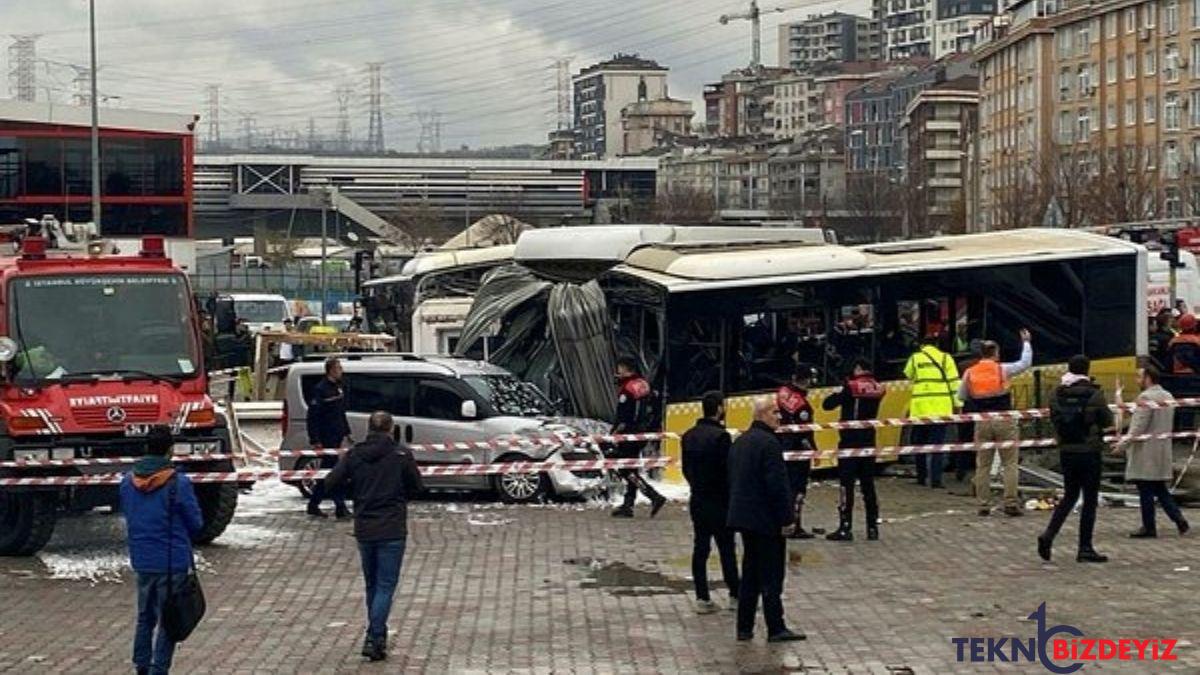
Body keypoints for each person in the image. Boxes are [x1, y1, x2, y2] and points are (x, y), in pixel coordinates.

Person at [324, 411, 423, 662]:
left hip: (365, 527)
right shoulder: (401, 455)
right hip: (392, 527)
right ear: (391, 429)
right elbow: (417, 486)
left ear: (368, 429)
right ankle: (375, 634)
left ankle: (377, 637)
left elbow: (330, 482)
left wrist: (354, 492)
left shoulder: (354, 455)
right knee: (386, 585)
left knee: (372, 584)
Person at [119, 426, 204, 675]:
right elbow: (196, 523)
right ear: (170, 449)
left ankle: (141, 665)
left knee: (145, 616)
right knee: (169, 619)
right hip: (172, 561)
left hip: (142, 559)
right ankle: (159, 669)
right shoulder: (178, 483)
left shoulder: (127, 482)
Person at [727, 399, 805, 643]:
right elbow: (777, 486)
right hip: (766, 520)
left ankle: (744, 626)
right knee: (771, 575)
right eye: (775, 412)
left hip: (744, 518)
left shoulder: (741, 441)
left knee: (750, 574)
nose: (779, 417)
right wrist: (787, 518)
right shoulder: (769, 444)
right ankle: (776, 626)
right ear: (761, 415)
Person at [1038, 355, 1114, 563]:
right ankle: (1085, 547)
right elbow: (1107, 420)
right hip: (1089, 451)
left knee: (1069, 496)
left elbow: (1054, 419)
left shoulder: (1056, 394)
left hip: (1067, 451)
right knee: (1089, 500)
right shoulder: (1095, 394)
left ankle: (1048, 535)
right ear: (1087, 370)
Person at [958, 329, 1033, 517]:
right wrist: (1026, 343)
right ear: (996, 353)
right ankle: (1010, 503)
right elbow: (1025, 363)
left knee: (983, 465)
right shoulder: (1002, 369)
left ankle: (983, 504)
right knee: (1009, 463)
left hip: (982, 421)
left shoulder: (970, 373)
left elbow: (961, 396)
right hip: (1004, 420)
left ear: (981, 353)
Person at [1115, 366, 1191, 538]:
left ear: (1148, 378)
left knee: (1145, 490)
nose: (1137, 380)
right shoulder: (1167, 396)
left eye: (1139, 377)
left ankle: (1149, 527)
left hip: (1145, 451)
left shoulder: (1146, 397)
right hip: (1162, 449)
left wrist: (1122, 445)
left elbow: (1138, 426)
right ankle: (1179, 520)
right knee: (1160, 489)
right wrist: (1119, 395)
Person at [681, 391, 739, 614]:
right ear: (719, 409)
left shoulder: (688, 435)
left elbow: (686, 469)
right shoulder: (721, 437)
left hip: (698, 499)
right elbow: (727, 471)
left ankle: (702, 596)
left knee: (700, 548)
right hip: (720, 501)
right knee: (727, 549)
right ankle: (735, 594)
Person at [822, 358, 886, 541]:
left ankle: (845, 526)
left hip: (850, 441)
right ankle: (872, 526)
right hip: (869, 440)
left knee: (846, 484)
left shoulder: (851, 387)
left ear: (857, 368)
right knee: (868, 485)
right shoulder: (878, 387)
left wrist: (839, 389)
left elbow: (828, 405)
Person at [610, 357, 667, 518]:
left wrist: (614, 433)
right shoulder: (643, 384)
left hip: (629, 434)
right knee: (631, 466)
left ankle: (653, 496)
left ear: (629, 370)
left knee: (624, 467)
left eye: (620, 370)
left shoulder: (627, 389)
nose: (617, 373)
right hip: (643, 433)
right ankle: (628, 505)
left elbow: (624, 416)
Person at [903, 334, 960, 489]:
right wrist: (957, 404)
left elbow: (908, 374)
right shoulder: (946, 358)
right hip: (941, 407)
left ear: (922, 345)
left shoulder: (915, 358)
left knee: (918, 443)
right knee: (937, 446)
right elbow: (954, 383)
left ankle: (921, 477)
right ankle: (936, 480)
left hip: (920, 408)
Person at [776, 363, 818, 539]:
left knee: (785, 488)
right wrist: (813, 451)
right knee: (798, 489)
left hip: (782, 447)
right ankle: (795, 525)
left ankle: (784, 522)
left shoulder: (782, 393)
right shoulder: (802, 406)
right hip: (798, 452)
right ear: (806, 380)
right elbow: (804, 433)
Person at [306, 357, 352, 519]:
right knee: (334, 473)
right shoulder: (321, 389)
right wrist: (315, 440)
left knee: (329, 472)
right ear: (331, 370)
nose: (341, 371)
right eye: (339, 368)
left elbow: (340, 413)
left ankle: (314, 504)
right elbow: (313, 417)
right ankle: (339, 506)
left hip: (337, 436)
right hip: (327, 438)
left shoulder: (338, 387)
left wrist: (347, 432)